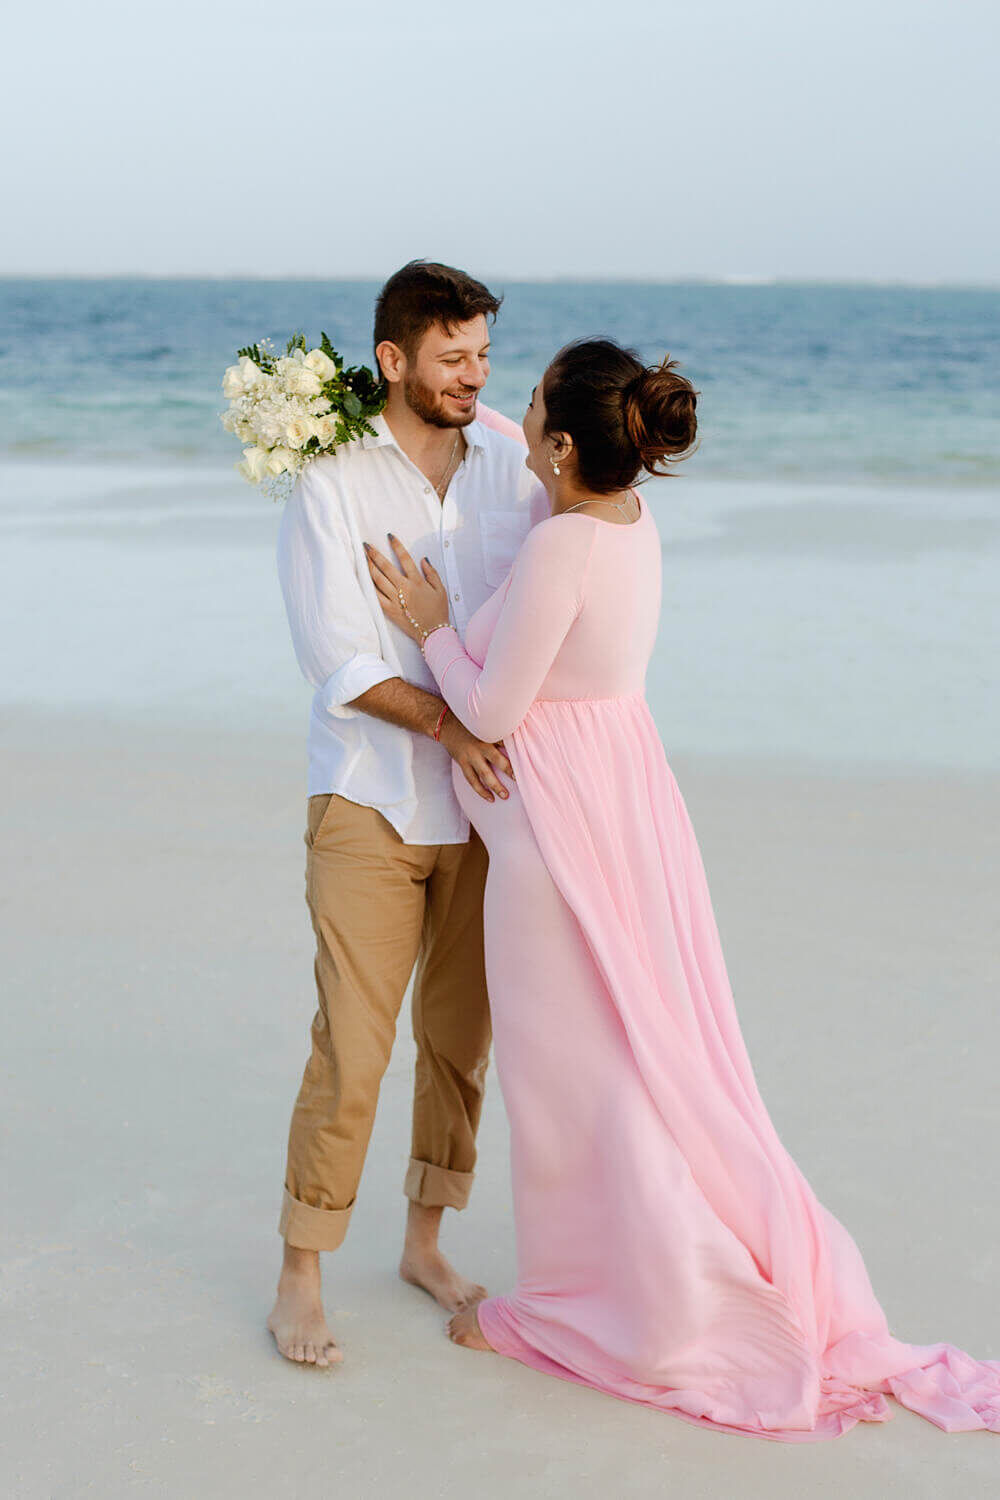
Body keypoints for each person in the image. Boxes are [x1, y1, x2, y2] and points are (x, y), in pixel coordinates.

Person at [363, 337, 1000, 1440]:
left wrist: (427, 627)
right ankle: (634, 1278)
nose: (504, 407)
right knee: (642, 1051)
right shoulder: (624, 521)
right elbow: (535, 455)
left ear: (567, 447)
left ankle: (615, 1308)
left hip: (554, 835)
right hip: (623, 799)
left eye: (526, 402)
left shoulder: (562, 546)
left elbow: (493, 710)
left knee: (581, 1080)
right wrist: (477, 418)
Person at [267, 260, 547, 1368]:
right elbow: (334, 661)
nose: (473, 377)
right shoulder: (331, 480)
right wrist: (451, 727)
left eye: (482, 355)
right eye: (450, 359)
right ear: (393, 360)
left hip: (489, 815)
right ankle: (301, 1269)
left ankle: (424, 1240)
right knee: (354, 1046)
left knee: (458, 1042)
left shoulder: (513, 467)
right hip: (368, 801)